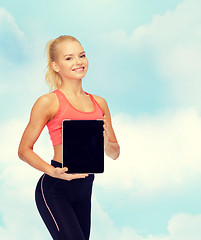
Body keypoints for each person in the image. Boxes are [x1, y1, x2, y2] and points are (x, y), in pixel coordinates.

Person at [18, 35, 120, 240]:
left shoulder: (99, 103)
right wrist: (52, 171)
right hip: (56, 187)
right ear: (56, 66)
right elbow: (24, 150)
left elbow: (114, 153)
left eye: (81, 55)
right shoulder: (48, 102)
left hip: (85, 187)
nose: (78, 62)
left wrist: (106, 139)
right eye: (69, 58)